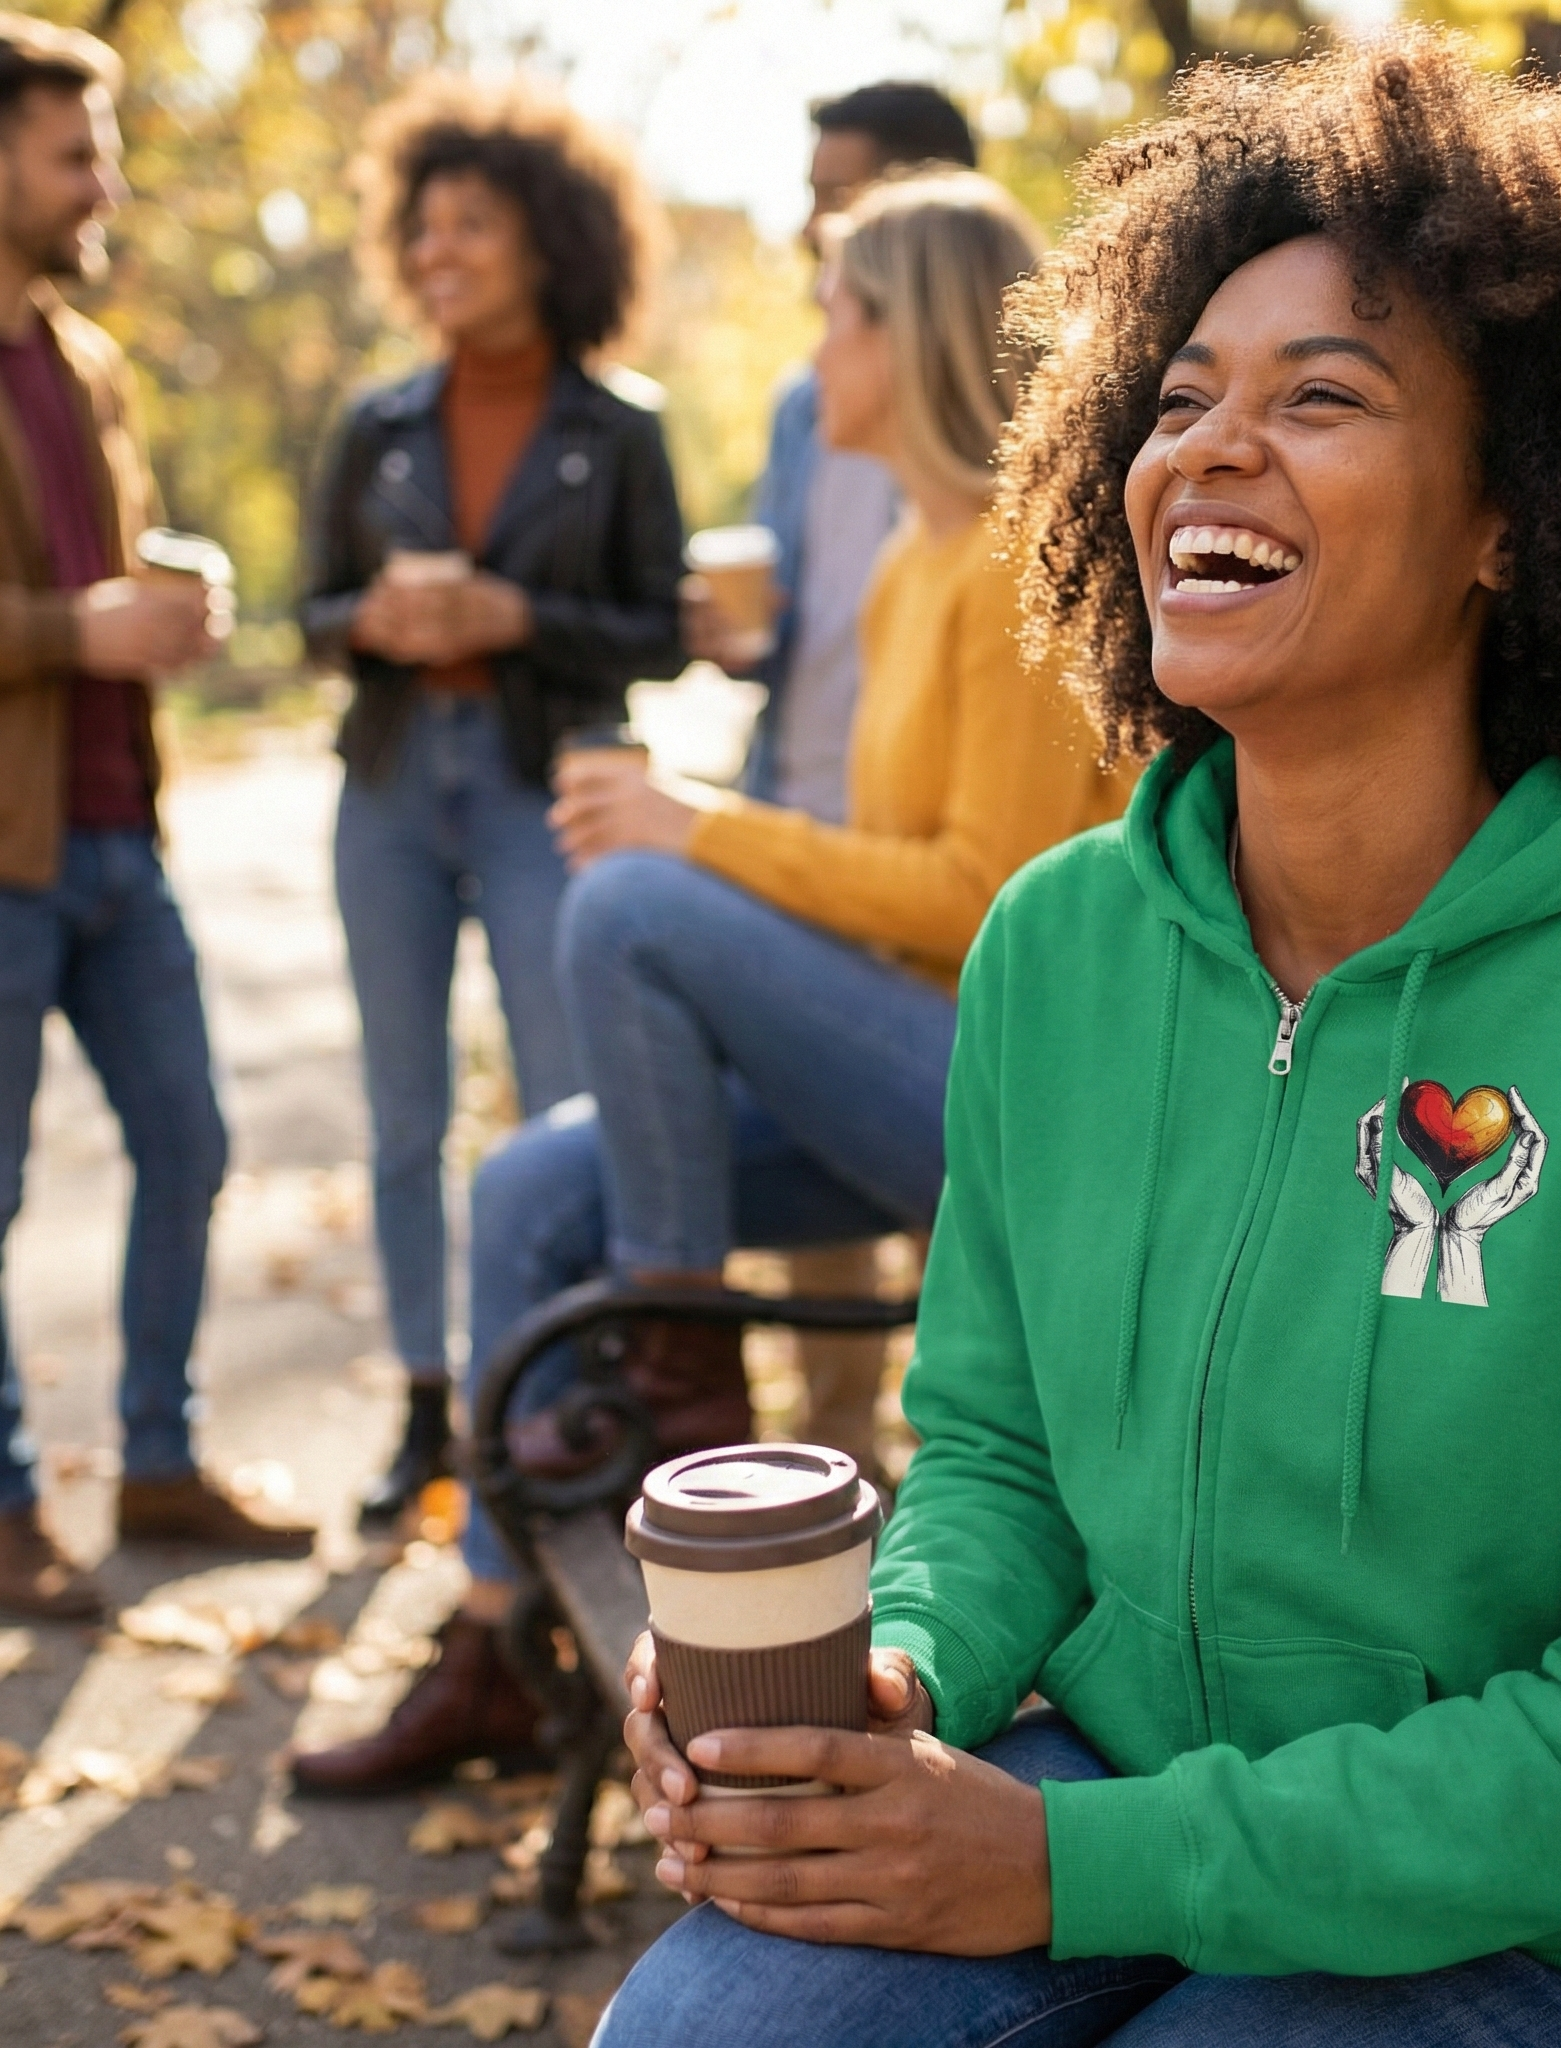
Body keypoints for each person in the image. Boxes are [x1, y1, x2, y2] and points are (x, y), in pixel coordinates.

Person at [601, 33, 1561, 2048]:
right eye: (1179, 397)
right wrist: (908, 1672)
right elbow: (997, 1449)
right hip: (1126, 1790)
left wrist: (1063, 1866)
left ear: (1511, 517)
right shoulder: (1064, 947)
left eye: (1324, 397)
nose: (1207, 449)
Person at [291, 168, 1132, 1799]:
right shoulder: (909, 562)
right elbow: (885, 885)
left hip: (1013, 1101)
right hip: (906, 1067)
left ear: (920, 334)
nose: (817, 349)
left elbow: (984, 905)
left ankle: (681, 1403)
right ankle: (490, 1641)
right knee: (534, 1179)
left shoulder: (1017, 568)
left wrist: (704, 835)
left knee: (626, 904)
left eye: (839, 309)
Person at [299, 79, 685, 1530]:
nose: (441, 251)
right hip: (395, 783)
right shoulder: (376, 423)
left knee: (560, 1107)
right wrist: (375, 621)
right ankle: (426, 1407)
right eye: (424, 227)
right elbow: (310, 617)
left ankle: (556, 1400)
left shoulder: (620, 427)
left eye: (476, 224)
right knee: (403, 1115)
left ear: (551, 240)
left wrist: (515, 609)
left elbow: (660, 628)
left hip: (547, 789)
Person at [0, 13, 316, 1622]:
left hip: (124, 828)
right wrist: (74, 630)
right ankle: (1, 1506)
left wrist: (167, 594)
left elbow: (87, 556)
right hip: (6, 848)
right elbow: (52, 605)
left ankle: (156, 1459)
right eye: (74, 153)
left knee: (186, 1139)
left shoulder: (89, 361)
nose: (102, 182)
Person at [696, 81, 977, 1463]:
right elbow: (793, 593)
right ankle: (825, 1454)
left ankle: (962, 1456)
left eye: (840, 193)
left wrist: (687, 839)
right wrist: (736, 635)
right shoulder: (812, 411)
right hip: (807, 797)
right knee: (826, 1246)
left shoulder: (995, 525)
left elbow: (977, 889)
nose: (815, 219)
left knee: (947, 1222)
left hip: (925, 862)